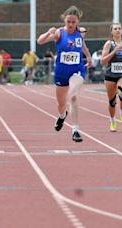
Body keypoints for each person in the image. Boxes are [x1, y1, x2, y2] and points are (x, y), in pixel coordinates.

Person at [37, 5, 92, 142]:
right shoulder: (59, 33)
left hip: (77, 69)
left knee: (73, 96)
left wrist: (89, 57)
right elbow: (40, 41)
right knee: (61, 104)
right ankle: (62, 116)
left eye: (73, 22)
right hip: (61, 72)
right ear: (64, 20)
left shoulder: (80, 32)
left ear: (77, 21)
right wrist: (48, 32)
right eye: (69, 22)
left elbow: (82, 45)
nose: (71, 24)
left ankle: (75, 130)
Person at [100, 23, 122, 132]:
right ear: (111, 32)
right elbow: (102, 61)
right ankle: (112, 121)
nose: (117, 30)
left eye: (119, 28)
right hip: (110, 75)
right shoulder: (108, 44)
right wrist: (115, 50)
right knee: (112, 102)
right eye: (115, 29)